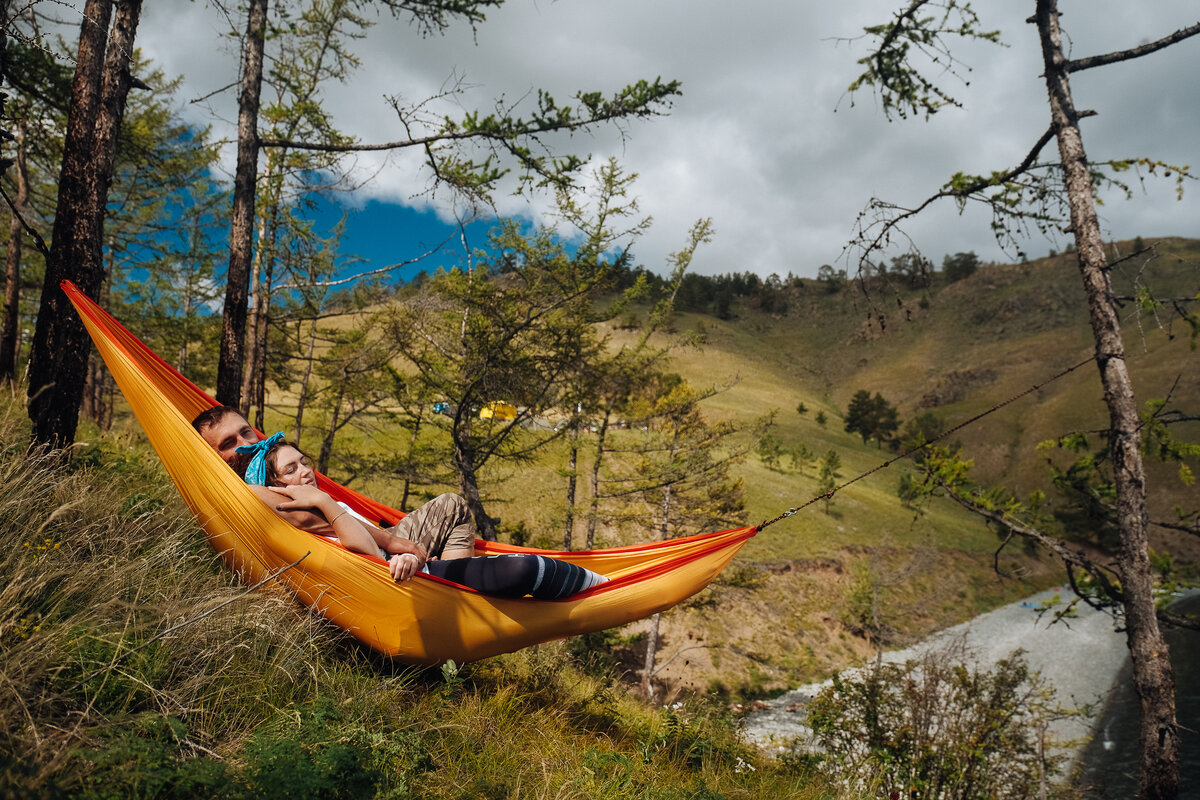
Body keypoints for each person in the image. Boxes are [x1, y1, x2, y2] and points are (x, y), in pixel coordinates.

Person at [242, 436, 607, 598]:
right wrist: (323, 499)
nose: (305, 471)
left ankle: (451, 580)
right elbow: (363, 549)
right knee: (453, 504)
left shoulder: (316, 498)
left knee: (452, 505)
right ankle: (453, 588)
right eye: (291, 469)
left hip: (389, 543)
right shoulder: (302, 506)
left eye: (304, 462)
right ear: (274, 483)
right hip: (380, 562)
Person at [192, 406, 473, 567]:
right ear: (210, 457)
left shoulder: (264, 467)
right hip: (367, 552)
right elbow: (316, 521)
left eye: (246, 432)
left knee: (451, 507)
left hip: (370, 539)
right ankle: (449, 582)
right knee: (453, 506)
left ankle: (446, 577)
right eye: (229, 443)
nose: (246, 445)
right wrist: (391, 541)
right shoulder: (245, 491)